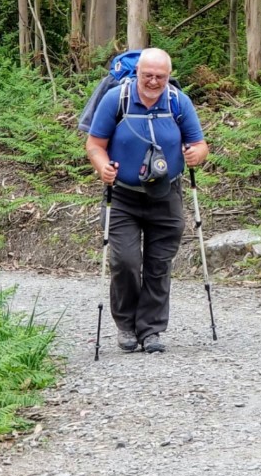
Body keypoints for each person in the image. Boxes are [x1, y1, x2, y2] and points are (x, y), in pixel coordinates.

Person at [85, 48, 209, 354]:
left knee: (158, 263)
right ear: (137, 73)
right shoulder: (118, 99)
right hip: (124, 195)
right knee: (125, 261)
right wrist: (102, 166)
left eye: (160, 77)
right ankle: (126, 326)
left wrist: (197, 154)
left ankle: (151, 330)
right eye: (147, 75)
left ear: (169, 75)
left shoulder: (178, 101)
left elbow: (199, 143)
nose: (153, 82)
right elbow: (95, 144)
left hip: (166, 195)